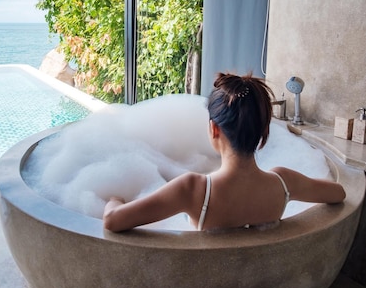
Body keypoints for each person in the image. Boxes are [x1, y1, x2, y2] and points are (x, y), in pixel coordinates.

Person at [103, 72, 346, 232]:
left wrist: (114, 200)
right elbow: (338, 193)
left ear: (214, 128)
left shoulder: (194, 190)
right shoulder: (284, 182)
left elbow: (113, 221)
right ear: (263, 130)